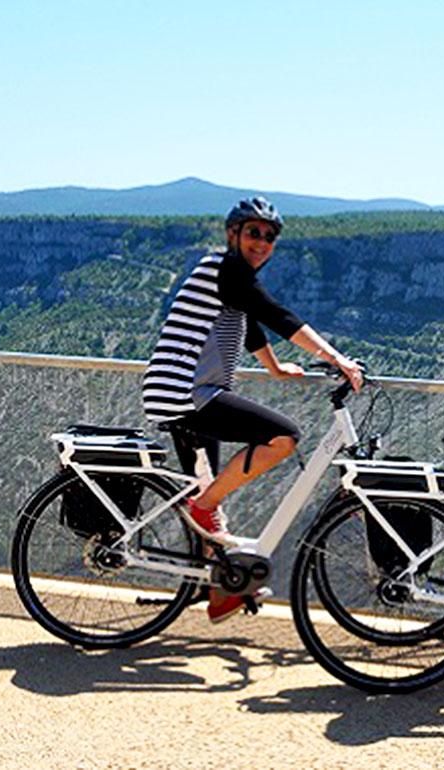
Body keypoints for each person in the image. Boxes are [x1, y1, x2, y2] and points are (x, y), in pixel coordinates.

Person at [142, 196, 365, 622]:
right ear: (234, 235)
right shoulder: (228, 269)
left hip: (178, 391)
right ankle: (203, 513)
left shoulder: (224, 276)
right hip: (189, 394)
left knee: (208, 494)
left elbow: (250, 326)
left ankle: (222, 591)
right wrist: (337, 359)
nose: (261, 242)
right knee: (282, 439)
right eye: (253, 233)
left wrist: (276, 368)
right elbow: (275, 315)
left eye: (269, 236)